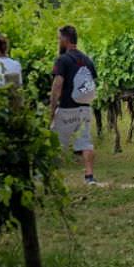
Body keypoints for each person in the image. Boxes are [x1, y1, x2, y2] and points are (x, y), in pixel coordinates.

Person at [50, 25, 98, 185]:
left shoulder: (62, 60)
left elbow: (57, 85)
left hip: (66, 108)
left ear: (65, 40)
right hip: (85, 107)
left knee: (55, 142)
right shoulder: (87, 60)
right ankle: (89, 177)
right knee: (86, 141)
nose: (58, 42)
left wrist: (52, 109)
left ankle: (50, 176)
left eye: (59, 39)